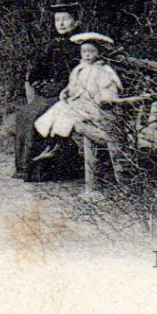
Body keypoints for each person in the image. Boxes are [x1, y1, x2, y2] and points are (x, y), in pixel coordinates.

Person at [33, 32, 126, 199]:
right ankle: (54, 142)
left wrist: (104, 98)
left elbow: (110, 90)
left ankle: (58, 143)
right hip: (80, 103)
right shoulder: (79, 69)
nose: (88, 54)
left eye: (91, 51)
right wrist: (66, 92)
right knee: (58, 108)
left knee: (68, 115)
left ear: (98, 53)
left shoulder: (104, 70)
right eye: (85, 51)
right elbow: (73, 86)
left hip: (96, 109)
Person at [14, 0, 87, 181]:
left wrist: (61, 87)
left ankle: (36, 167)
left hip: (70, 95)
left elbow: (82, 75)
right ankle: (26, 167)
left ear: (76, 20)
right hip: (50, 92)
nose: (60, 23)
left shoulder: (84, 45)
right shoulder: (54, 44)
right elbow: (38, 70)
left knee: (34, 115)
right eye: (57, 19)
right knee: (24, 113)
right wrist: (39, 82)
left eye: (65, 18)